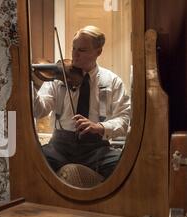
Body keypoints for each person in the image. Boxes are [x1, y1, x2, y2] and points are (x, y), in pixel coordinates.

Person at [33, 26, 131, 179]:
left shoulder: (112, 81)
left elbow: (124, 120)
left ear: (98, 52)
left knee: (126, 169)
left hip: (96, 149)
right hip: (59, 148)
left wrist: (99, 127)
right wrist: (28, 85)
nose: (74, 55)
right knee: (34, 164)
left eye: (82, 50)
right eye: (73, 48)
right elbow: (39, 111)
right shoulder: (59, 77)